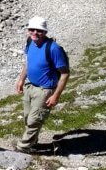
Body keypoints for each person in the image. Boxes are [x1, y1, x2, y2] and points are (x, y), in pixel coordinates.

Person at [14, 16, 70, 153]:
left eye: (38, 30)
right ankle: (32, 143)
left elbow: (65, 73)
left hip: (45, 90)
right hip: (30, 86)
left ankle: (22, 148)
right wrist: (21, 79)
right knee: (28, 118)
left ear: (44, 32)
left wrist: (56, 95)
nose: (34, 33)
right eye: (31, 29)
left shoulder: (53, 48)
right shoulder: (30, 42)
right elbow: (28, 63)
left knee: (34, 120)